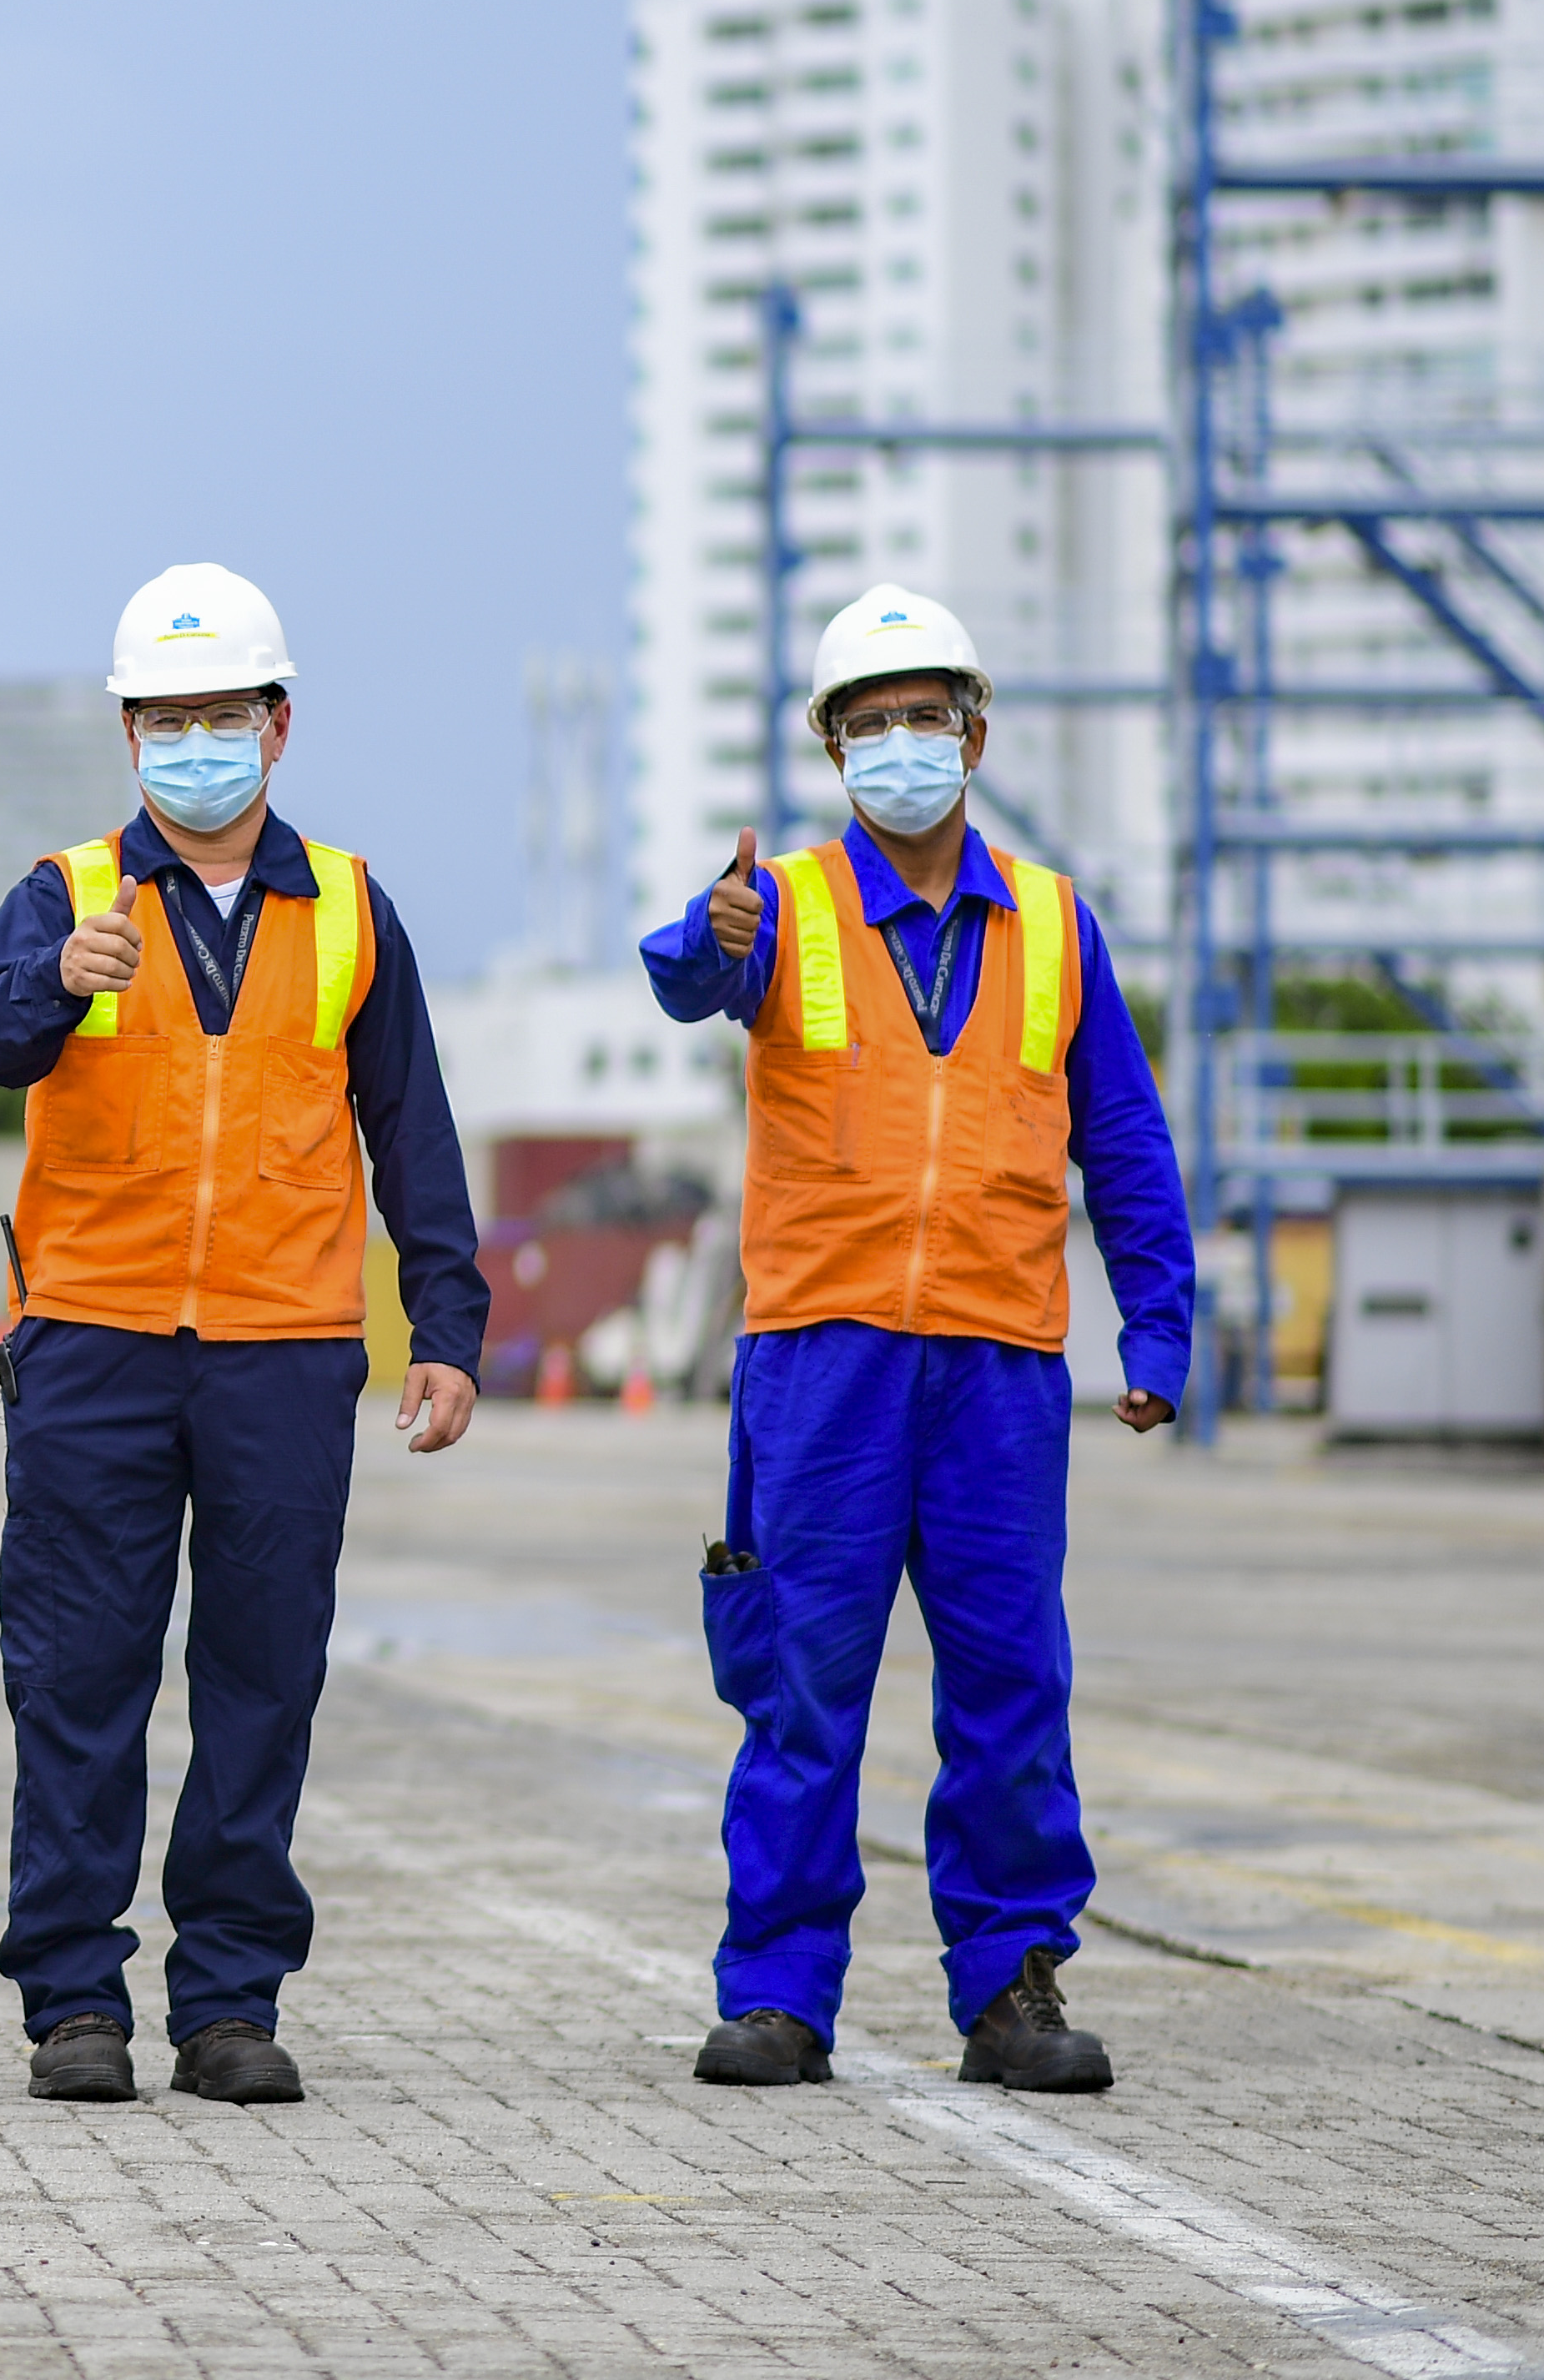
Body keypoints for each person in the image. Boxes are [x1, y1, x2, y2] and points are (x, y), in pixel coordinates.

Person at [0, 562, 487, 2107]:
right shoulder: (67, 892)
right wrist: (57, 980)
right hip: (93, 1348)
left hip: (285, 1350)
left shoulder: (351, 911)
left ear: (279, 723)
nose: (197, 742)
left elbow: (415, 1131)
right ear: (129, 736)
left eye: (223, 715)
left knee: (263, 1676)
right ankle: (74, 2001)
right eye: (165, 719)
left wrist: (443, 1324)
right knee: (79, 1675)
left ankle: (230, 2000)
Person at [646, 582, 1190, 2096]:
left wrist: (1157, 1325)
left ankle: (1012, 1987)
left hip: (1002, 1365)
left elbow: (1126, 1145)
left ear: (976, 730)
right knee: (802, 1681)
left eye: (926, 716)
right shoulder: (785, 911)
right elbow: (687, 976)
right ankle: (777, 1996)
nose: (903, 744)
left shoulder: (1058, 923)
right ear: (830, 746)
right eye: (870, 722)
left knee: (1012, 1682)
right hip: (820, 1365)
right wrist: (709, 930)